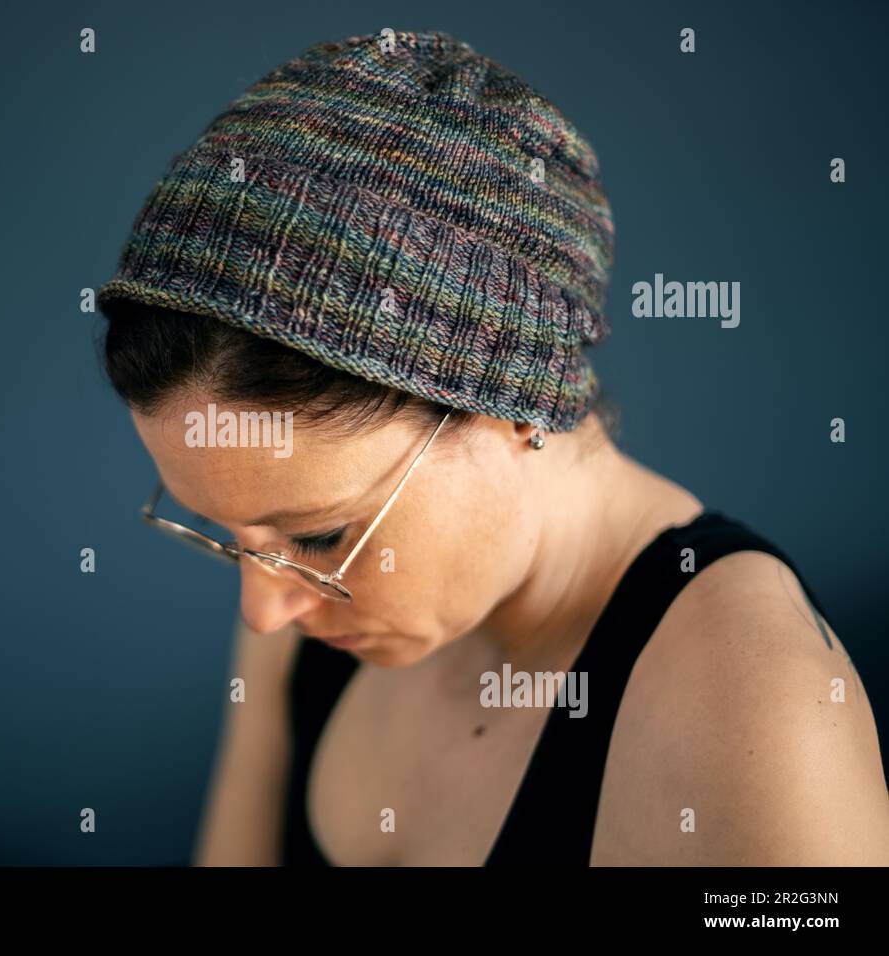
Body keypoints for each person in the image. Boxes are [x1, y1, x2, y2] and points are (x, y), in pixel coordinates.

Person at [93, 30, 889, 865]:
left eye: (321, 535)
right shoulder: (299, 605)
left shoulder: (758, 713)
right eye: (227, 537)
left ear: (514, 406)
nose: (262, 612)